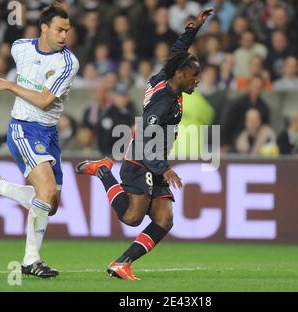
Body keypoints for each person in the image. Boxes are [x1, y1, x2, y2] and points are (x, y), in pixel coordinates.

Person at [75, 8, 214, 281]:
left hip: (157, 160)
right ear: (180, 75)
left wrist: (193, 28)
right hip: (143, 160)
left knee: (164, 220)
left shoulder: (166, 76)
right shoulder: (162, 105)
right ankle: (104, 171)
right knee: (131, 218)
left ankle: (122, 263)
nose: (197, 80)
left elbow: (177, 50)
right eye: (194, 75)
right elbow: (148, 139)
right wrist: (164, 169)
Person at [0, 3, 79, 278]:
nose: (64, 35)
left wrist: (9, 85)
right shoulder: (20, 47)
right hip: (23, 129)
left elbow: (45, 101)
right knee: (45, 194)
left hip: (49, 133)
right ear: (43, 28)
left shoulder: (67, 62)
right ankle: (31, 260)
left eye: (67, 30)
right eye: (59, 29)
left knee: (51, 204)